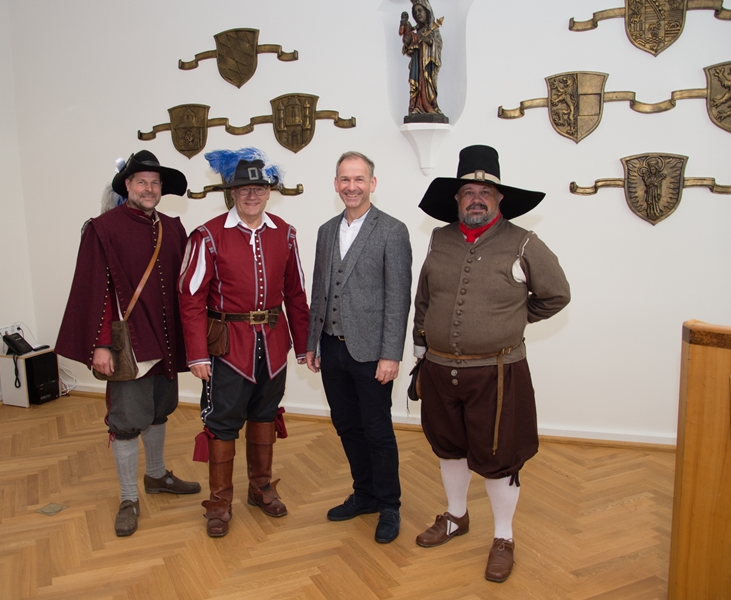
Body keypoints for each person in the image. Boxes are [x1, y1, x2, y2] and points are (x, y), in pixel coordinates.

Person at [412, 145, 570, 582]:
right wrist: (421, 349)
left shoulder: (524, 242)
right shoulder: (440, 238)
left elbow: (557, 295)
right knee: (448, 446)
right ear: (457, 199)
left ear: (499, 199)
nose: (476, 198)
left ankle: (503, 537)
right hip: (440, 370)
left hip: (497, 374)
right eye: (468, 192)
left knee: (499, 456)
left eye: (485, 191)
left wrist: (513, 320)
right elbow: (424, 300)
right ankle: (456, 516)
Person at [56, 150, 201, 538]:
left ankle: (155, 476)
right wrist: (100, 345)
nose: (149, 189)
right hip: (129, 345)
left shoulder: (173, 227)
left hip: (166, 340)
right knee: (125, 423)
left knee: (159, 410)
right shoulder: (102, 228)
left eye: (155, 183)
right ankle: (127, 498)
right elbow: (94, 291)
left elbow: (185, 287)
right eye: (142, 182)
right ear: (127, 186)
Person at [178, 151, 310, 538]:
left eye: (259, 188)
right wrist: (197, 353)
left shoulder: (284, 232)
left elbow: (296, 292)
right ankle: (219, 501)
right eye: (244, 189)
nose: (252, 195)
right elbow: (190, 298)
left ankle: (261, 487)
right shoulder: (207, 235)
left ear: (269, 192)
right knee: (221, 424)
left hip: (272, 345)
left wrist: (302, 345)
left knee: (265, 416)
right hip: (227, 347)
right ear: (232, 192)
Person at [306, 151, 412, 544]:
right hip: (331, 349)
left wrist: (391, 355)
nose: (351, 186)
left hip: (372, 353)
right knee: (347, 426)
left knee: (378, 430)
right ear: (336, 185)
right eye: (344, 180)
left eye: (359, 179)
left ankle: (389, 504)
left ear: (372, 183)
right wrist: (312, 343)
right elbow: (319, 290)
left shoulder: (392, 231)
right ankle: (364, 493)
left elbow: (398, 298)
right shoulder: (325, 230)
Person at [400, 0, 443, 117]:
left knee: (428, 83)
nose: (418, 14)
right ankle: (417, 106)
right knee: (416, 84)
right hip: (417, 65)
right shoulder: (416, 32)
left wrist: (428, 41)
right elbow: (409, 50)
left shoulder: (433, 30)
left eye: (420, 10)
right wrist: (410, 42)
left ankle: (432, 105)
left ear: (427, 11)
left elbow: (438, 44)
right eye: (415, 12)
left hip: (428, 65)